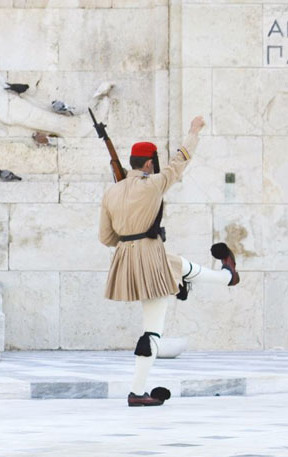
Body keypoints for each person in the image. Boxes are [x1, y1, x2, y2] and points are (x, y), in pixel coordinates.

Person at [99, 116, 239, 407]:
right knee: (152, 330)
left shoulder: (111, 192)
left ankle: (226, 276)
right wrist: (193, 132)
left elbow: (106, 237)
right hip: (150, 257)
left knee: (176, 264)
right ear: (149, 164)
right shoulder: (153, 185)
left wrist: (129, 241)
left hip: (127, 257)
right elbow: (180, 161)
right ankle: (137, 392)